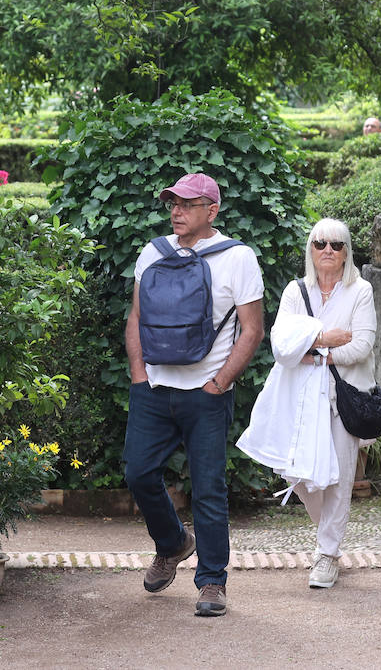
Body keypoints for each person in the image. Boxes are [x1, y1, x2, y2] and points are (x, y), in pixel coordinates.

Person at [124, 173, 265, 618]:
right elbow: (136, 316)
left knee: (208, 488)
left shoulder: (238, 258)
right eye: (172, 203)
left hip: (206, 393)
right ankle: (172, 543)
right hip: (155, 388)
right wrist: (138, 374)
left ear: (212, 210)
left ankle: (211, 582)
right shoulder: (154, 252)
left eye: (187, 203)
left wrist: (219, 383)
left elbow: (253, 330)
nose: (176, 211)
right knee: (138, 473)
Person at [238, 218, 375, 590]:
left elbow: (361, 346)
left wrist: (311, 351)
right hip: (301, 401)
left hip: (343, 399)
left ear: (347, 252)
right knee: (297, 475)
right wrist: (326, 337)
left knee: (340, 478)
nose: (327, 250)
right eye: (319, 243)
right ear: (310, 250)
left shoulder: (360, 291)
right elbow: (282, 347)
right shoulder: (295, 292)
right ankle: (329, 534)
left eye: (335, 244)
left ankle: (327, 554)